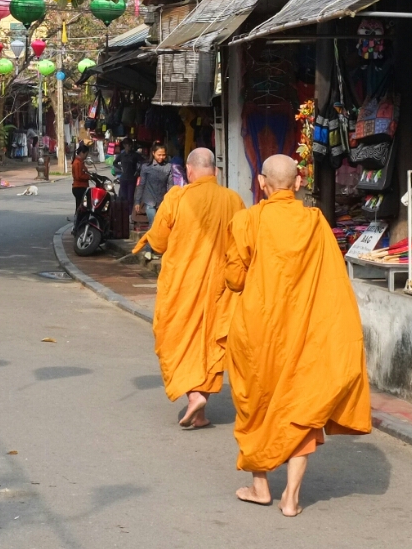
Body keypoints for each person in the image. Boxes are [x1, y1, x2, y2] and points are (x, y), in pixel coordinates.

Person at [222, 154, 371, 516]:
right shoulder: (314, 222)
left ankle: (260, 487)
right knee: (300, 406)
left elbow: (234, 279)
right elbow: (332, 280)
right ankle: (290, 496)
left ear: (262, 183)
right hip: (304, 331)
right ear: (299, 182)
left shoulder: (247, 221)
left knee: (256, 404)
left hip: (257, 333)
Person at [131, 147, 243, 429]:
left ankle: (194, 395)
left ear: (189, 172)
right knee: (208, 343)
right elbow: (243, 245)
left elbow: (158, 242)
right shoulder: (234, 201)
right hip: (221, 289)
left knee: (176, 340)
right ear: (215, 172)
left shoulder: (177, 198)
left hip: (183, 286)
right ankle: (201, 411)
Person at [133, 144, 174, 228]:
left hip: (162, 201)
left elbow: (170, 185)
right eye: (159, 155)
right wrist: (137, 201)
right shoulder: (146, 167)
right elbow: (141, 185)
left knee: (162, 225)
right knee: (154, 222)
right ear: (153, 153)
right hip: (149, 200)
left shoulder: (168, 167)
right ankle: (151, 240)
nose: (161, 157)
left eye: (163, 155)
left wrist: (170, 199)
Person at [70, 145, 90, 222]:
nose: (86, 156)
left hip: (80, 187)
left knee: (80, 206)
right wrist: (88, 177)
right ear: (82, 153)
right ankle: (77, 223)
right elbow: (79, 176)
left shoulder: (80, 162)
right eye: (86, 154)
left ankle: (78, 222)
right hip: (79, 187)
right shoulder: (77, 163)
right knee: (80, 207)